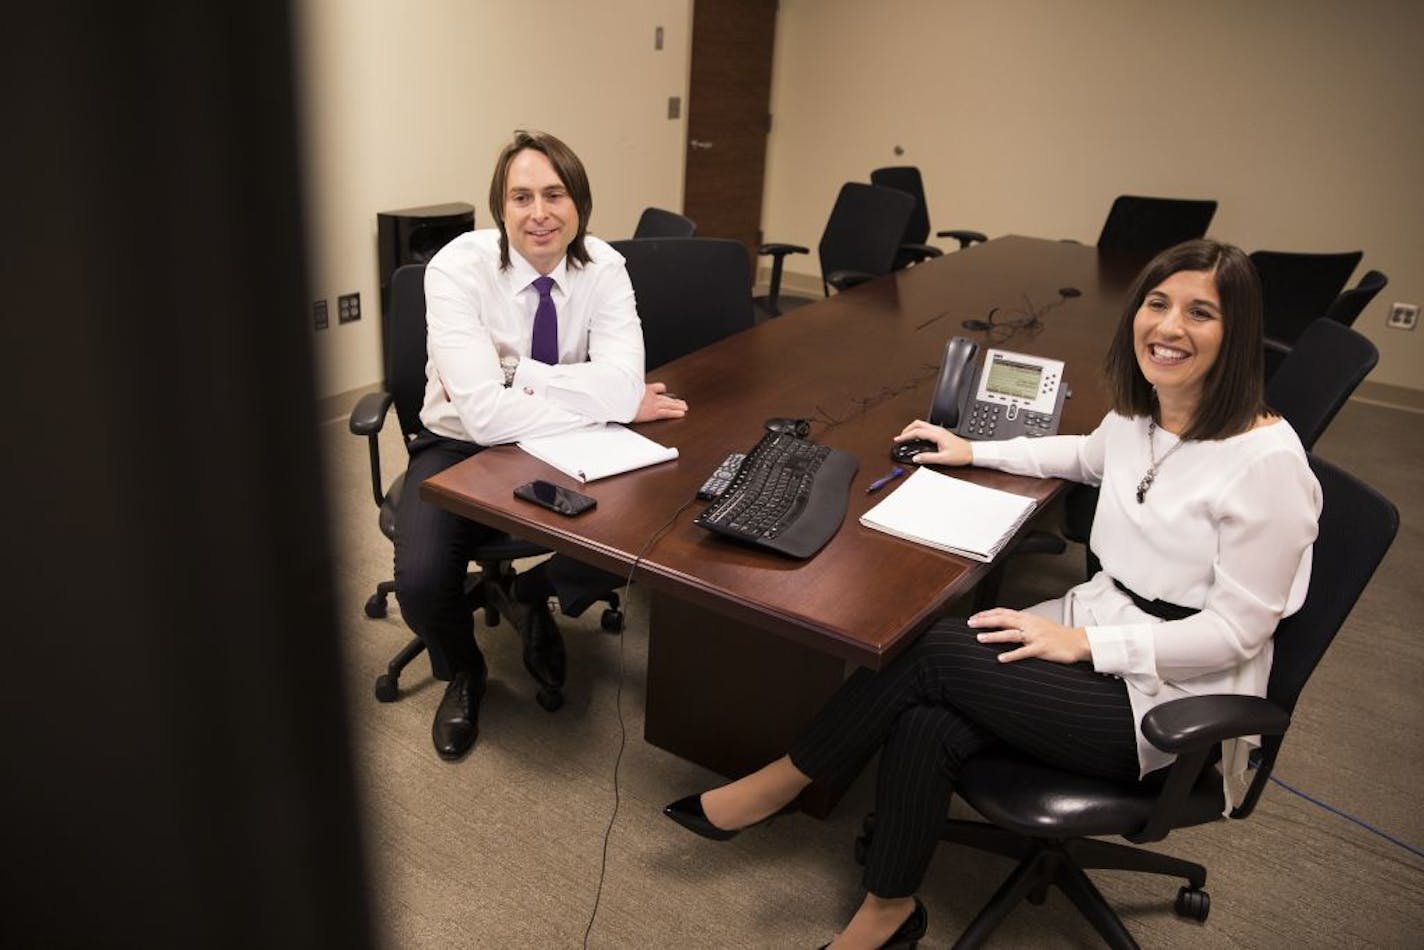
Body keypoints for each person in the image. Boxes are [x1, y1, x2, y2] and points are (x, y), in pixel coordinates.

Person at [662, 239, 1321, 948]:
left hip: (1168, 697)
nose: (1168, 328)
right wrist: (973, 450)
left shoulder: (1267, 466)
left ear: (1239, 333)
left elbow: (1238, 635)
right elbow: (1081, 455)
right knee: (925, 722)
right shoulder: (1145, 413)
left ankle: (786, 780)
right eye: (1157, 304)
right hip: (1099, 633)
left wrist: (1087, 643)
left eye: (1201, 313)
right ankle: (888, 913)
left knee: (935, 652)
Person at [395, 130, 687, 761]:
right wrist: (603, 397)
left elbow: (625, 382)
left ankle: (534, 593)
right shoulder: (455, 270)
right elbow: (479, 413)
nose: (540, 213)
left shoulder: (604, 267)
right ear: (501, 208)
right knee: (420, 581)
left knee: (652, 522)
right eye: (521, 197)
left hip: (571, 441)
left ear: (578, 202)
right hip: (458, 445)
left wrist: (522, 375)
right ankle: (464, 669)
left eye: (554, 194)